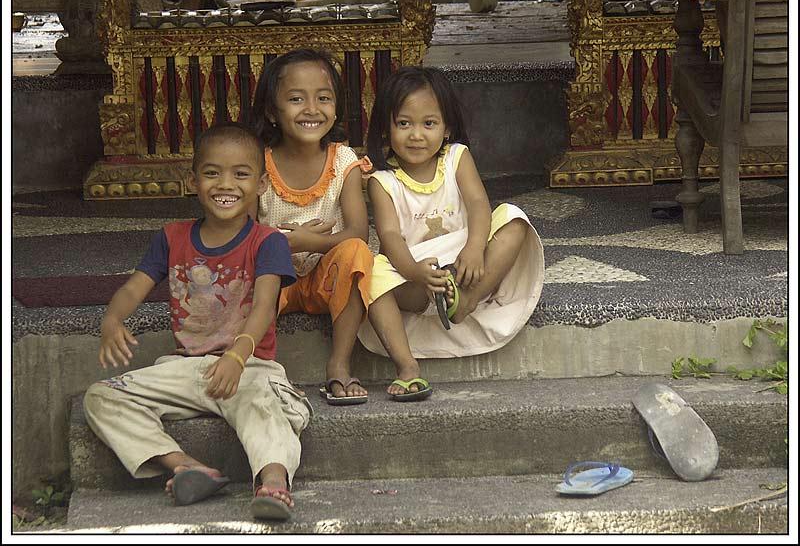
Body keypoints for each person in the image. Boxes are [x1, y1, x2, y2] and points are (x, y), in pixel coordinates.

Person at [83, 123, 308, 521]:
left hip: (247, 366)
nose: (226, 184)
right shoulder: (172, 237)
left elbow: (264, 306)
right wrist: (112, 319)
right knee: (103, 395)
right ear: (192, 181)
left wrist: (238, 357)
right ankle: (185, 465)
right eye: (211, 173)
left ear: (260, 185)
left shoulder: (267, 241)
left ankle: (273, 480)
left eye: (241, 174)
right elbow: (134, 288)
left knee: (263, 403)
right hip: (187, 369)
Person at [357, 66, 545, 363]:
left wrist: (474, 249)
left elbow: (478, 204)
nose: (416, 135)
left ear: (446, 129)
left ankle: (467, 300)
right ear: (385, 128)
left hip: (466, 262)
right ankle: (407, 364)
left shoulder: (457, 157)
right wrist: (414, 272)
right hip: (417, 271)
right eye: (404, 123)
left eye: (429, 123)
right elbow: (390, 237)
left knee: (513, 218)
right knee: (371, 275)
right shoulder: (383, 181)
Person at [249, 48, 382, 404]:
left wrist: (309, 241)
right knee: (246, 270)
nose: (311, 109)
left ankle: (339, 363)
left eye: (323, 98)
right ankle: (263, 370)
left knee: (356, 254)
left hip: (326, 278)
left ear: (337, 106)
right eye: (296, 99)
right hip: (274, 282)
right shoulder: (257, 162)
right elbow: (243, 233)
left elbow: (357, 231)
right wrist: (282, 246)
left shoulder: (343, 161)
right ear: (270, 112)